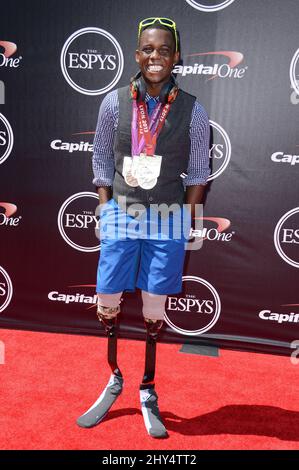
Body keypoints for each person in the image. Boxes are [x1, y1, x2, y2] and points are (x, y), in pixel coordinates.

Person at [77, 17, 210, 438]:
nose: (156, 58)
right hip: (121, 213)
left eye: (164, 51)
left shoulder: (193, 108)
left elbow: (199, 172)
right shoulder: (113, 103)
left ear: (176, 58)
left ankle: (147, 387)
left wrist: (189, 220)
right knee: (108, 301)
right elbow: (100, 161)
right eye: (148, 50)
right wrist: (105, 210)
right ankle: (114, 374)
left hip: (168, 218)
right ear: (137, 55)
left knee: (155, 309)